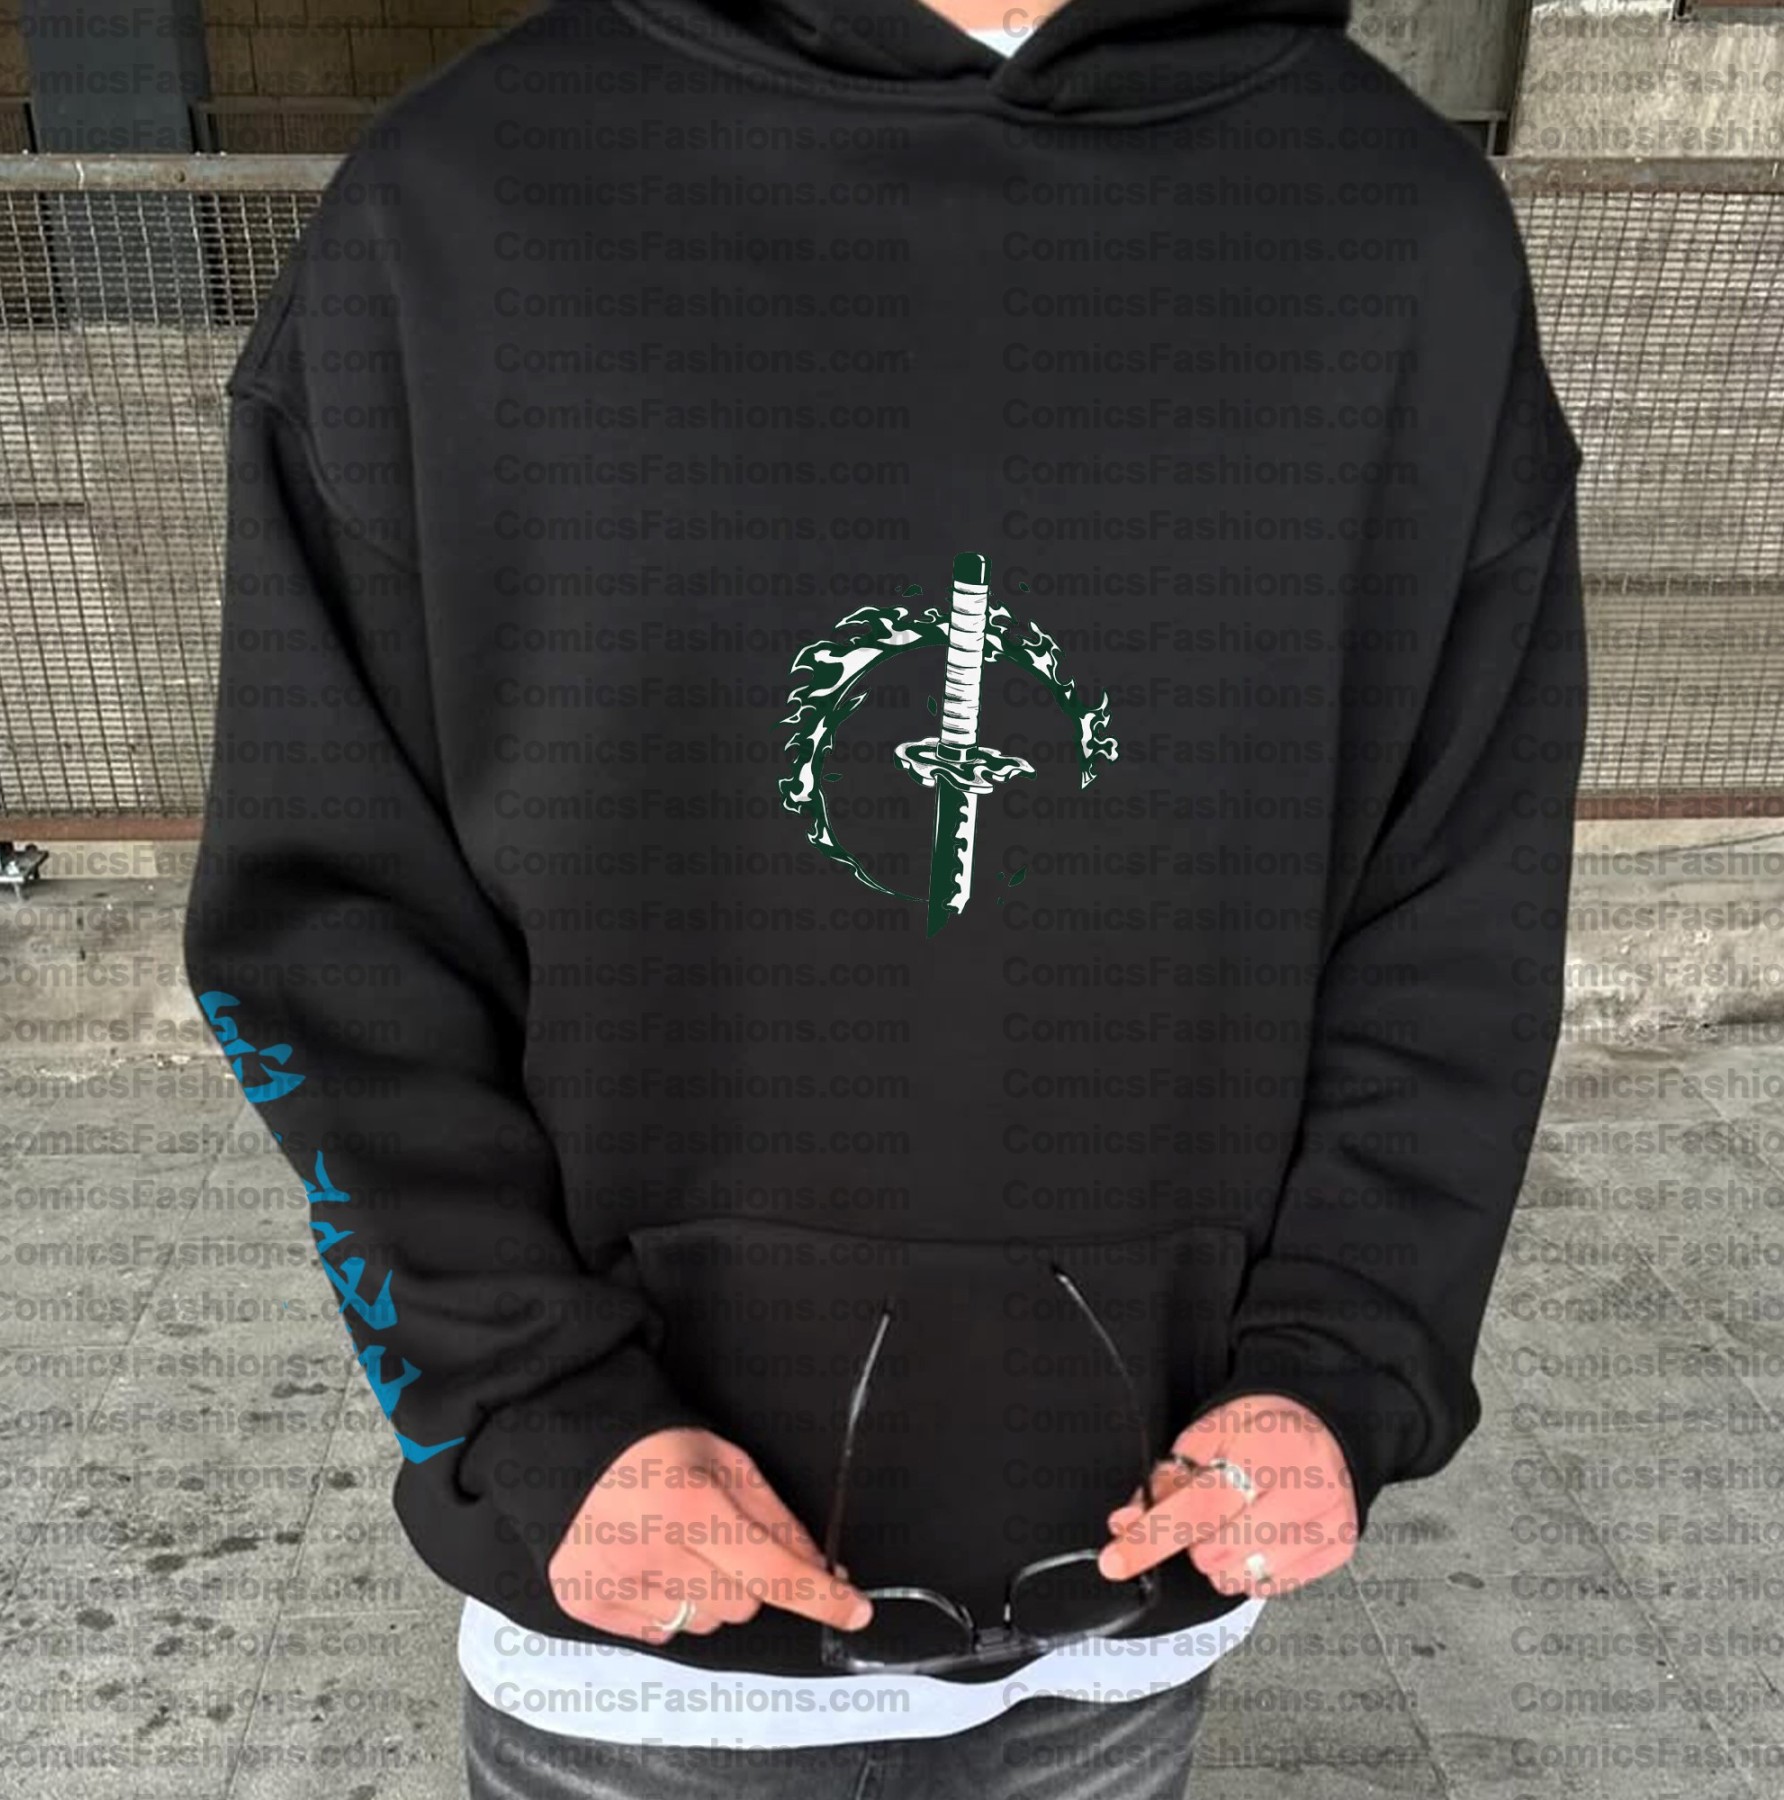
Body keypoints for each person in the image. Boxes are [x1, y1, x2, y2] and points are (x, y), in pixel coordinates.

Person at [181, 0, 1587, 1794]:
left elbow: (1455, 910)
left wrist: (1350, 1359)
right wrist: (533, 1407)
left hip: (1144, 1593)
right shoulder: (468, 203)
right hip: (641, 1637)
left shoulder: (1392, 229)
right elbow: (328, 930)